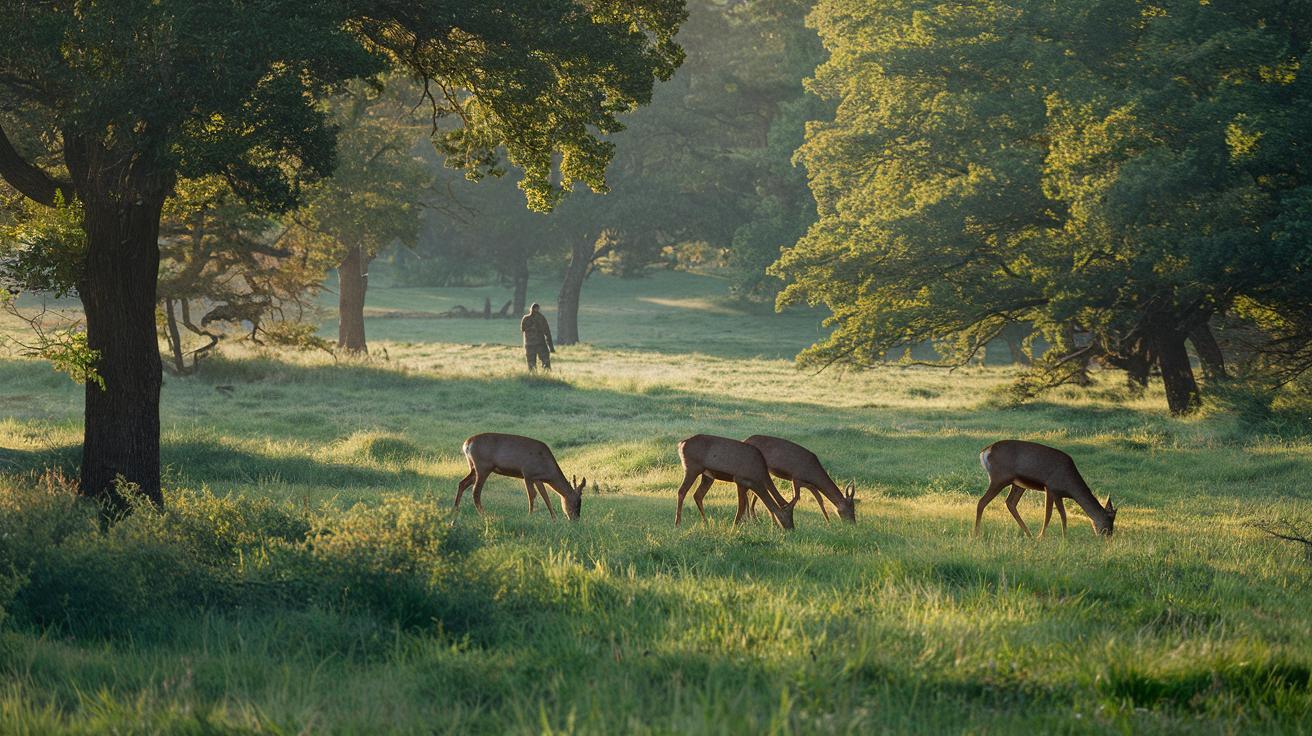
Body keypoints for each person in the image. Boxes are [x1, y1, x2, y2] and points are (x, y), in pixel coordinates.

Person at [520, 302, 554, 370]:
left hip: (529, 344)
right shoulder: (541, 318)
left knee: (531, 363)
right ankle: (546, 377)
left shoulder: (525, 318)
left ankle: (533, 378)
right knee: (545, 361)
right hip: (540, 344)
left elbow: (522, 329)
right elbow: (547, 332)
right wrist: (551, 347)